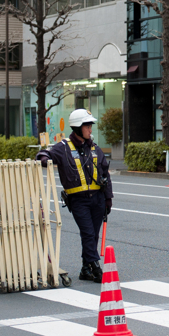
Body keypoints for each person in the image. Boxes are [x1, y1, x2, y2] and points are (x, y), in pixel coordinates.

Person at [37, 109, 113, 283]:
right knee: (87, 233)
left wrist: (108, 198)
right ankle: (95, 267)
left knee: (93, 235)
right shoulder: (63, 148)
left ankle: (85, 269)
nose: (90, 129)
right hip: (79, 201)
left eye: (90, 126)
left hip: (98, 199)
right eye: (87, 126)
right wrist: (42, 158)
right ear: (78, 127)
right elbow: (44, 154)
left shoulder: (94, 148)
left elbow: (105, 173)